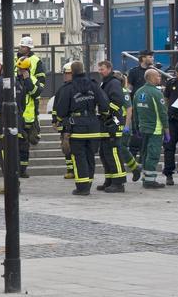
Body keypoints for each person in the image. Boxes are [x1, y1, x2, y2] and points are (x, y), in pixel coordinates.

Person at [54, 60, 109, 196]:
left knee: (79, 157)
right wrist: (101, 116)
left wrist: (61, 122)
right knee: (90, 156)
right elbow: (104, 105)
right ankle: (88, 183)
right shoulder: (94, 85)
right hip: (93, 126)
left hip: (77, 127)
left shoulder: (68, 88)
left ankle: (82, 187)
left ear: (72, 72)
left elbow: (60, 111)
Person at [0, 54, 34, 194]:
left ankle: (11, 185)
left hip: (3, 127)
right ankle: (14, 184)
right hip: (17, 125)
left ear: (2, 67)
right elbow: (22, 106)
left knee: (5, 158)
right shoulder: (17, 83)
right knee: (14, 157)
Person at [96, 60, 130, 192]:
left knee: (113, 152)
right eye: (99, 69)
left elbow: (117, 101)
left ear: (109, 69)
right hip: (106, 123)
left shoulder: (113, 83)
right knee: (105, 153)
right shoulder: (105, 83)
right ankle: (109, 180)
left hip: (113, 122)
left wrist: (106, 111)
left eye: (102, 69)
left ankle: (119, 183)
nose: (100, 71)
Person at [134, 68, 170, 189]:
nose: (159, 78)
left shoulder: (138, 92)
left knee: (144, 153)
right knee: (153, 154)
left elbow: (135, 112)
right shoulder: (156, 93)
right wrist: (167, 131)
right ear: (151, 78)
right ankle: (150, 181)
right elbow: (162, 113)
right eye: (158, 76)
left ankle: (145, 177)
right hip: (155, 129)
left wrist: (136, 127)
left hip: (143, 129)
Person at [17, 36, 47, 163]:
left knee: (30, 131)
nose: (21, 48)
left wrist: (31, 83)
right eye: (21, 46)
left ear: (29, 48)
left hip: (31, 93)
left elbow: (41, 81)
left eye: (23, 46)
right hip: (20, 92)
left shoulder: (36, 60)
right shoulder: (16, 59)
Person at [126, 49, 155, 161]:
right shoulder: (134, 72)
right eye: (150, 56)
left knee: (146, 132)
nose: (152, 58)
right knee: (136, 131)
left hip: (149, 108)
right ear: (143, 58)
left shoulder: (154, 71)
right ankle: (132, 155)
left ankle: (143, 156)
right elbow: (129, 88)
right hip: (137, 106)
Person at [52, 62, 75, 180]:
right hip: (66, 124)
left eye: (68, 73)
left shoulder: (70, 88)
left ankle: (73, 170)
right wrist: (55, 119)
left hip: (71, 123)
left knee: (71, 148)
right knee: (66, 148)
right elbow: (56, 106)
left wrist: (57, 119)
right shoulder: (62, 89)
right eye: (65, 74)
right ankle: (70, 170)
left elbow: (60, 107)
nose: (65, 76)